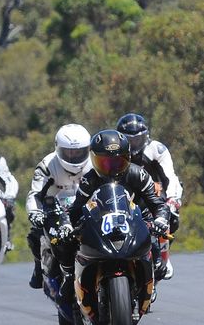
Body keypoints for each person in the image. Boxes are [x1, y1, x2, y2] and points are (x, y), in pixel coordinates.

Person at [59, 129, 169, 313]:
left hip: (135, 219)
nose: (111, 168)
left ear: (127, 158)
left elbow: (158, 203)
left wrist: (161, 219)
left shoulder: (138, 175)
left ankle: (149, 279)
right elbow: (75, 209)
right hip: (101, 224)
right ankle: (69, 276)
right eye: (105, 162)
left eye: (118, 162)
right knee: (69, 242)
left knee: (158, 259)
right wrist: (67, 225)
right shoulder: (89, 180)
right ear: (94, 160)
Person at [24, 123, 92, 289]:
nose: (74, 156)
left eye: (79, 152)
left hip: (88, 208)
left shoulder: (95, 163)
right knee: (36, 235)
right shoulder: (47, 165)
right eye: (69, 152)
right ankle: (40, 266)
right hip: (55, 209)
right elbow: (35, 194)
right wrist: (35, 213)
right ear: (58, 148)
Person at [116, 112, 182, 277]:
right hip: (121, 195)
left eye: (137, 139)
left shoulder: (157, 149)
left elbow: (170, 176)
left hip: (153, 193)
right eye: (129, 140)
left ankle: (163, 253)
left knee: (171, 216)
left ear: (146, 136)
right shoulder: (113, 152)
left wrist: (172, 199)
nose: (133, 144)